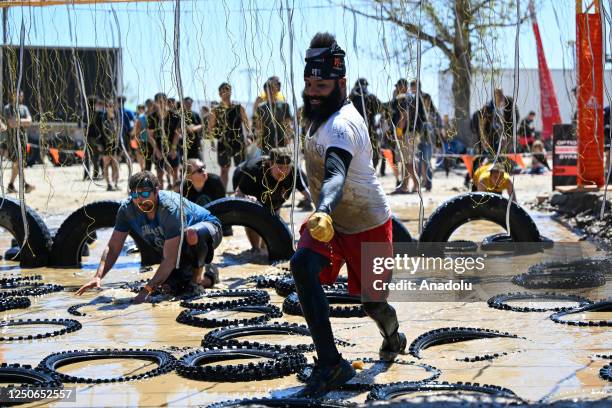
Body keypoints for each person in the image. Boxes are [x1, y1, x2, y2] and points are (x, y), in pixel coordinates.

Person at [291, 32, 406, 398]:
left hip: (367, 226)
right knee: (301, 266)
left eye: (321, 86)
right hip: (330, 225)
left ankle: (393, 336)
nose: (312, 91)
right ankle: (330, 363)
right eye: (308, 83)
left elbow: (336, 174)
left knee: (373, 304)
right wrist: (323, 216)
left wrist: (322, 208)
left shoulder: (342, 124)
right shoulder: (317, 114)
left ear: (340, 84)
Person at [76, 171, 223, 302]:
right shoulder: (126, 210)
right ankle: (210, 277)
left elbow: (170, 260)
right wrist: (98, 276)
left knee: (191, 235)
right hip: (177, 245)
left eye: (145, 194)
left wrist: (146, 289)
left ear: (156, 191)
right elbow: (113, 248)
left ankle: (197, 279)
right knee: (171, 288)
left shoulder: (169, 208)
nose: (140, 199)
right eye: (134, 194)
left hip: (207, 229)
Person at [233, 147, 312, 251]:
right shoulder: (254, 170)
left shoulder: (294, 172)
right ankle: (255, 249)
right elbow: (238, 193)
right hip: (245, 180)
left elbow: (309, 194)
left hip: (274, 196)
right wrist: (245, 197)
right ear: (270, 164)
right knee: (252, 215)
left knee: (273, 218)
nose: (283, 171)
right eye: (279, 167)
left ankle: (265, 247)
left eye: (287, 167)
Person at [208, 83, 251, 190]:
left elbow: (246, 122)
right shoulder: (215, 110)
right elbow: (211, 127)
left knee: (240, 168)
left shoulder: (238, 107)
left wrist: (249, 136)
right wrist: (212, 142)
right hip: (223, 143)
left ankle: (241, 191)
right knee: (224, 169)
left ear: (231, 92)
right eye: (223, 91)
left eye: (228, 90)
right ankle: (223, 193)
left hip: (238, 142)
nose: (226, 93)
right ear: (219, 93)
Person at [147, 93, 181, 188]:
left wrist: (173, 149)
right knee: (159, 174)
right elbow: (150, 136)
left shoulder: (175, 116)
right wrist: (156, 150)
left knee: (175, 173)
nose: (161, 104)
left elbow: (177, 133)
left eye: (163, 101)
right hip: (159, 147)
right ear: (155, 103)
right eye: (159, 102)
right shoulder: (152, 117)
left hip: (173, 147)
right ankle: (161, 196)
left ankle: (176, 196)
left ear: (166, 101)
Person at [3, 91, 34, 193]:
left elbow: (30, 121)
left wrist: (17, 121)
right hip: (12, 140)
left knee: (18, 162)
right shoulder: (8, 108)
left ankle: (11, 185)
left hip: (23, 140)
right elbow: (11, 124)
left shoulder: (24, 108)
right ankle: (25, 184)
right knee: (18, 161)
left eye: (21, 96)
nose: (19, 98)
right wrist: (22, 122)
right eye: (17, 96)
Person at [349, 78, 384, 168]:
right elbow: (382, 110)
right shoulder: (370, 97)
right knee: (372, 156)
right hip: (367, 132)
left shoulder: (351, 98)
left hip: (356, 132)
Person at [254, 80, 293, 154]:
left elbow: (288, 124)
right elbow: (259, 126)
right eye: (267, 90)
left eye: (272, 89)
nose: (270, 92)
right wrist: (258, 140)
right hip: (266, 143)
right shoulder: (261, 107)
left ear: (276, 90)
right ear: (265, 91)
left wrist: (288, 137)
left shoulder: (284, 105)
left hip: (282, 141)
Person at [102, 100, 121, 191]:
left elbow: (119, 133)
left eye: (112, 106)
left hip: (115, 145)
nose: (110, 107)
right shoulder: (102, 118)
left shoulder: (117, 118)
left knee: (115, 164)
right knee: (106, 165)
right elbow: (100, 133)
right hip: (105, 145)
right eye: (108, 106)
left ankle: (115, 183)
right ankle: (109, 184)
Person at [133, 99, 154, 171]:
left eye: (151, 104)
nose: (150, 106)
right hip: (144, 140)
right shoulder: (142, 117)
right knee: (144, 157)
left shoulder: (157, 116)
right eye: (148, 105)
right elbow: (137, 130)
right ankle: (143, 170)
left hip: (155, 141)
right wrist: (138, 140)